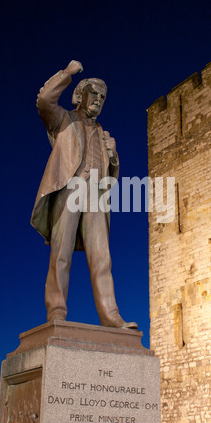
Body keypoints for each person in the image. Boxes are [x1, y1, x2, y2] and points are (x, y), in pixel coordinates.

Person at [31, 60, 137, 329]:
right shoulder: (63, 120)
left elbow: (109, 176)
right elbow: (44, 101)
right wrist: (67, 73)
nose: (99, 101)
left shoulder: (102, 131)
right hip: (70, 189)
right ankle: (56, 311)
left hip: (96, 196)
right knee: (61, 254)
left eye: (103, 97)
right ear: (80, 96)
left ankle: (111, 316)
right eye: (95, 94)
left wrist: (113, 159)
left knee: (102, 258)